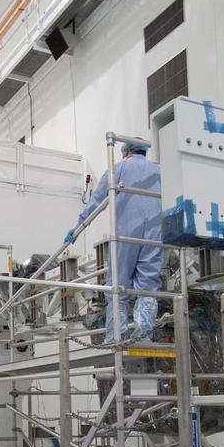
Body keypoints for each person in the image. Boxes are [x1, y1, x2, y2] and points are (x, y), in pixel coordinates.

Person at [65, 141, 162, 342]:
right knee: (148, 287)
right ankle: (144, 337)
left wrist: (78, 227)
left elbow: (98, 200)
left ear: (126, 152)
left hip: (126, 234)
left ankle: (115, 336)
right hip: (155, 234)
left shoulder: (119, 168)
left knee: (117, 286)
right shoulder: (160, 170)